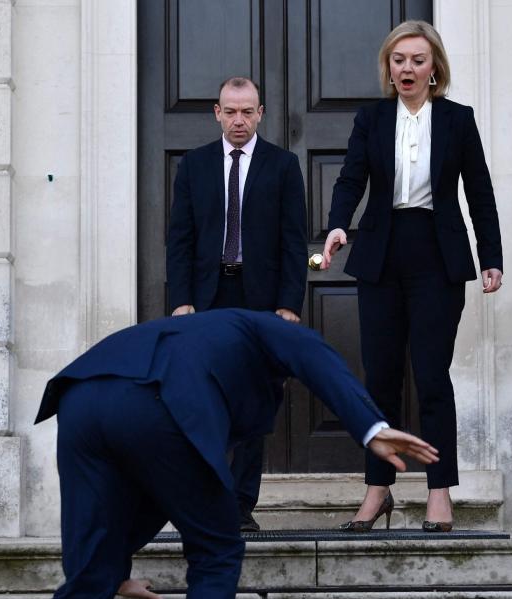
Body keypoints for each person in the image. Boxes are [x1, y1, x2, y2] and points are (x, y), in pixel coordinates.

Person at [34, 308, 439, 598]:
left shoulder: (202, 335)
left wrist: (113, 574)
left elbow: (149, 500)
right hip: (158, 398)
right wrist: (372, 428)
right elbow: (312, 352)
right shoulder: (263, 326)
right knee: (218, 548)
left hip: (80, 396)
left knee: (90, 564)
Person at [320, 20, 503, 533]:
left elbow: (480, 192)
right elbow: (352, 176)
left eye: (417, 60)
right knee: (379, 377)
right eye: (398, 59)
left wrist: (492, 255)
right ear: (389, 66)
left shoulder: (458, 120)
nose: (407, 68)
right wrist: (337, 225)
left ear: (434, 68)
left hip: (438, 255)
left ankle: (439, 491)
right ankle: (378, 491)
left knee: (431, 377)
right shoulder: (372, 119)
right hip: (381, 252)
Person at [166, 76, 307, 531]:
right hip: (209, 297)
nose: (239, 120)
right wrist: (180, 301)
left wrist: (288, 304)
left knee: (253, 401)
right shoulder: (194, 166)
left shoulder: (283, 166)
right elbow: (180, 241)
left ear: (261, 113)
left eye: (248, 112)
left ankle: (242, 505)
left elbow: (292, 241)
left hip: (261, 299)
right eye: (231, 111)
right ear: (217, 112)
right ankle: (208, 499)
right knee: (205, 398)